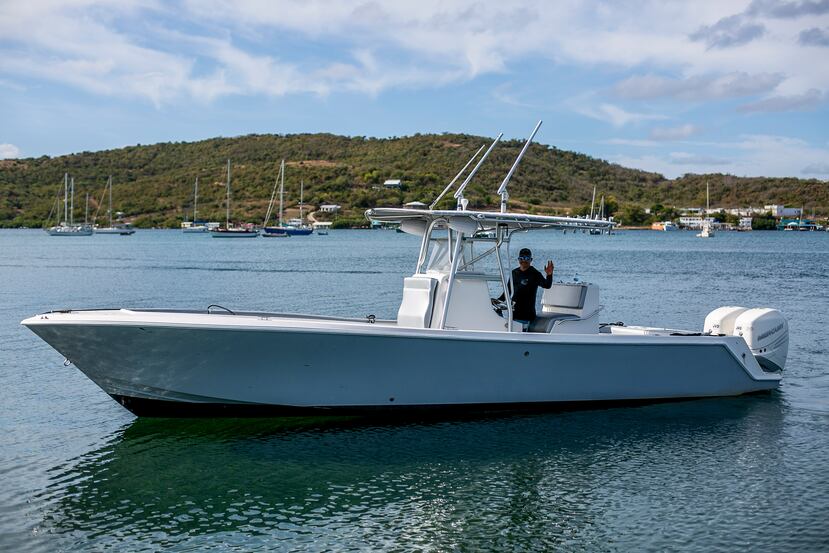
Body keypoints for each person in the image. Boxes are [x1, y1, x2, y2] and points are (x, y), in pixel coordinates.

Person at [496, 248, 554, 326]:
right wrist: (494, 302)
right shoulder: (514, 273)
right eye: (522, 258)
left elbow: (547, 285)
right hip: (514, 315)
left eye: (527, 258)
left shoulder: (535, 274)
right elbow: (507, 292)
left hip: (527, 317)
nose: (524, 260)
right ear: (518, 259)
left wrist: (549, 275)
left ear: (531, 260)